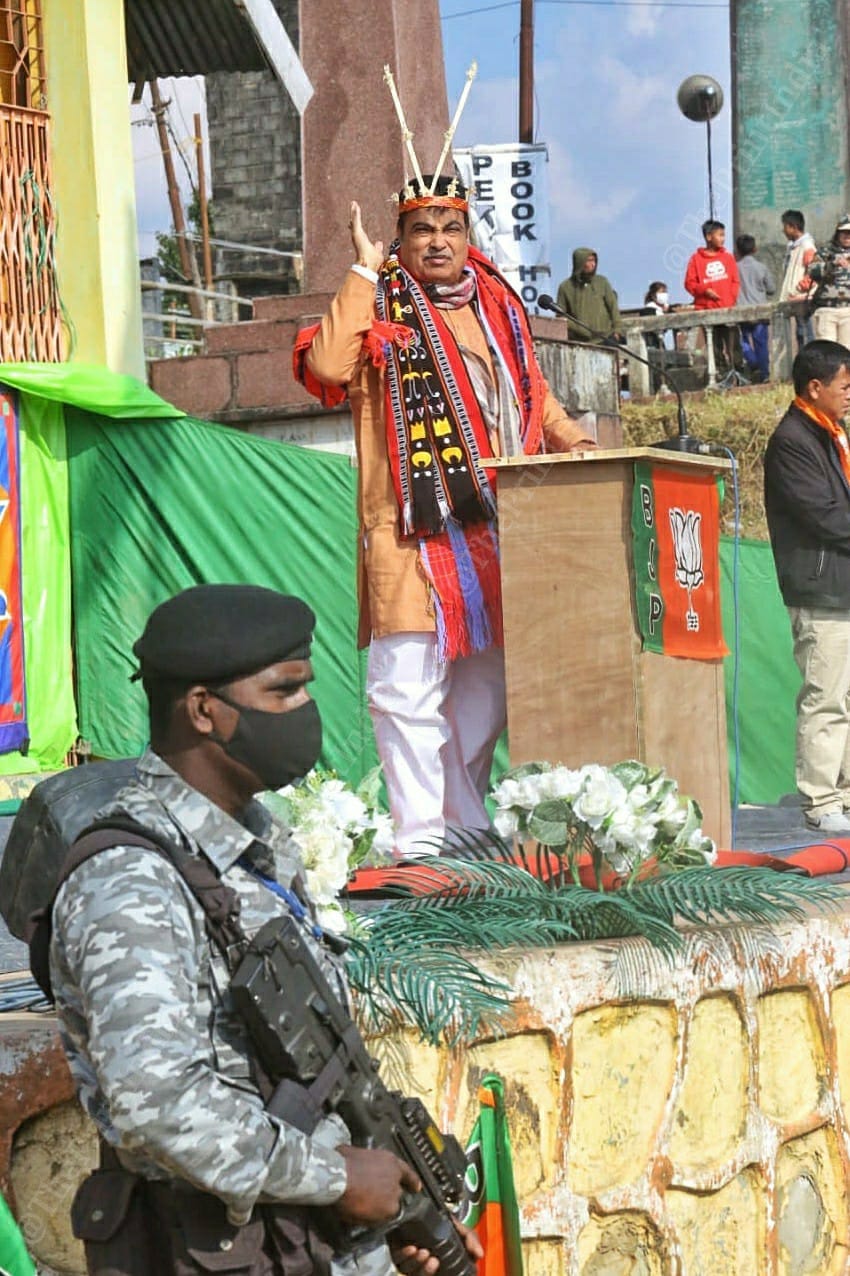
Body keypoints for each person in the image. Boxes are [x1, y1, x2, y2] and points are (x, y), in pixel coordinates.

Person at [49, 584, 482, 1275]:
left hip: (307, 1246)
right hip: (218, 1249)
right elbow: (154, 1103)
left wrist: (393, 1210)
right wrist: (340, 1181)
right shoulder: (132, 879)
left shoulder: (255, 847)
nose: (307, 712)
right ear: (204, 711)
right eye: (285, 692)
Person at [296, 176, 594, 859]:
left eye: (450, 228)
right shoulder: (379, 306)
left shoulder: (495, 309)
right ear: (400, 240)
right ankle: (423, 841)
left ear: (468, 239)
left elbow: (530, 394)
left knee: (485, 691)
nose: (437, 242)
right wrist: (365, 269)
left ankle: (462, 823)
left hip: (494, 529)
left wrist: (576, 443)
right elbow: (328, 364)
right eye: (421, 230)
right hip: (409, 532)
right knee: (406, 688)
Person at [764, 341, 850, 834]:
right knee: (826, 696)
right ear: (814, 387)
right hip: (820, 587)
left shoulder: (830, 432)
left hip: (842, 584)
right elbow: (824, 516)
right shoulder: (793, 440)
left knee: (846, 696)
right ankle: (821, 802)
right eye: (844, 386)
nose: (849, 395)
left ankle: (843, 792)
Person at [683, 219, 744, 381]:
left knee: (734, 346)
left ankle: (739, 374)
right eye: (720, 235)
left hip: (727, 310)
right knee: (715, 347)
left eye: (724, 235)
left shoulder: (727, 257)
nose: (723, 239)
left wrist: (729, 300)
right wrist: (705, 291)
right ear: (709, 237)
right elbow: (689, 283)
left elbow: (735, 281)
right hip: (708, 311)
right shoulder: (696, 259)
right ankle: (722, 376)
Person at [556, 248, 621, 343]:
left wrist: (617, 331)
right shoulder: (565, 287)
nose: (593, 264)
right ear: (580, 262)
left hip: (606, 338)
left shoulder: (602, 282)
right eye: (589, 261)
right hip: (580, 342)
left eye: (594, 260)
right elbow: (561, 316)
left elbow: (613, 308)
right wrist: (579, 329)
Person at [736, 233, 775, 382]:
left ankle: (753, 363)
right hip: (759, 312)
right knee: (761, 344)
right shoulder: (761, 267)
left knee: (743, 341)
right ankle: (764, 374)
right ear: (755, 249)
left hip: (741, 312)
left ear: (738, 250)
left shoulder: (734, 268)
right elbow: (771, 288)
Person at [806, 213, 850, 345]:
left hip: (848, 311)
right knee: (827, 351)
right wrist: (832, 264)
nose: (848, 236)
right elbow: (812, 272)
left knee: (847, 352)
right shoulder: (825, 251)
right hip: (827, 310)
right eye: (844, 232)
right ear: (837, 233)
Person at [779, 209, 817, 349]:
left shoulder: (807, 246)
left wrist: (802, 286)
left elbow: (814, 271)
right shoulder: (793, 246)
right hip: (795, 297)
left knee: (805, 331)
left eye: (785, 227)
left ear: (793, 227)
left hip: (801, 297)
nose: (783, 231)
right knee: (800, 331)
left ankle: (810, 362)